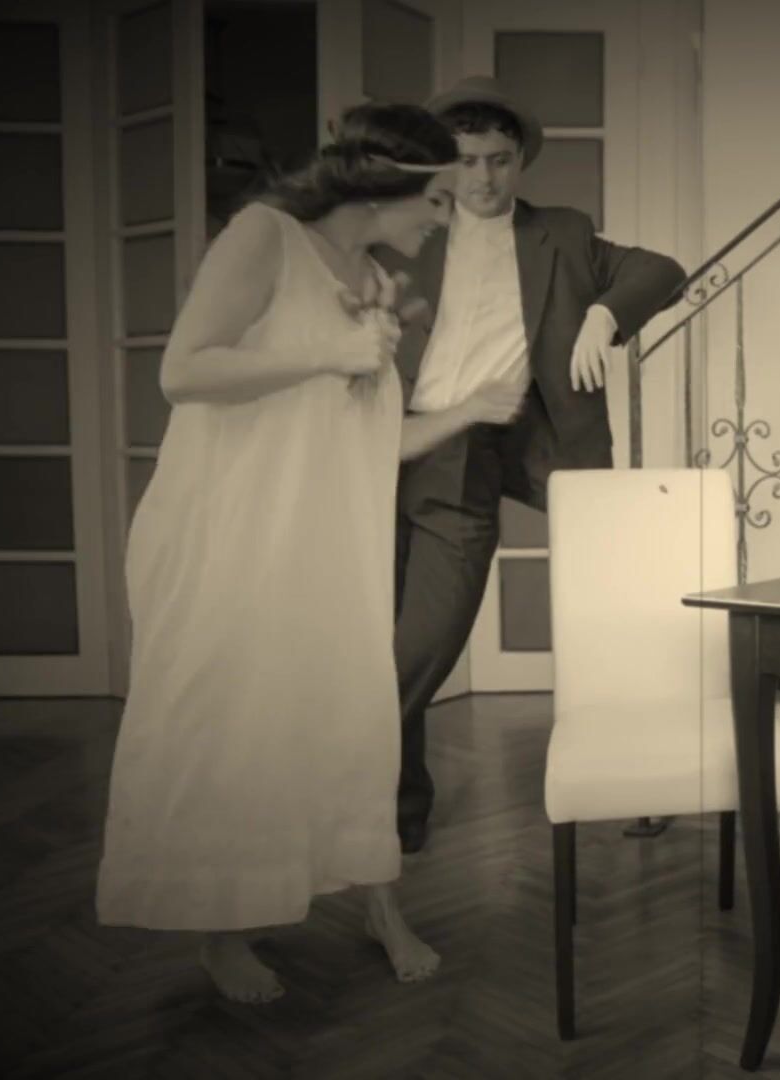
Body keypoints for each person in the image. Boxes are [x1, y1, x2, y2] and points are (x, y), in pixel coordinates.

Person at [95, 102, 526, 1004]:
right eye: (437, 199)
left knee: (346, 718)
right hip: (235, 532)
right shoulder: (264, 237)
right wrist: (330, 352)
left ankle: (377, 901)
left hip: (330, 539)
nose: (446, 218)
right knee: (236, 723)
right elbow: (184, 370)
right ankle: (222, 931)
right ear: (385, 187)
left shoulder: (370, 279)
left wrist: (471, 409)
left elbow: (374, 440)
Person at [385, 76, 688, 852]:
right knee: (401, 637)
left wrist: (603, 314)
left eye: (498, 160)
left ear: (519, 162)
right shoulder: (408, 236)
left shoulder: (561, 232)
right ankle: (393, 811)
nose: (482, 178)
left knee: (617, 601)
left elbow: (662, 269)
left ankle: (645, 777)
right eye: (465, 161)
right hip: (411, 445)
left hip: (520, 440)